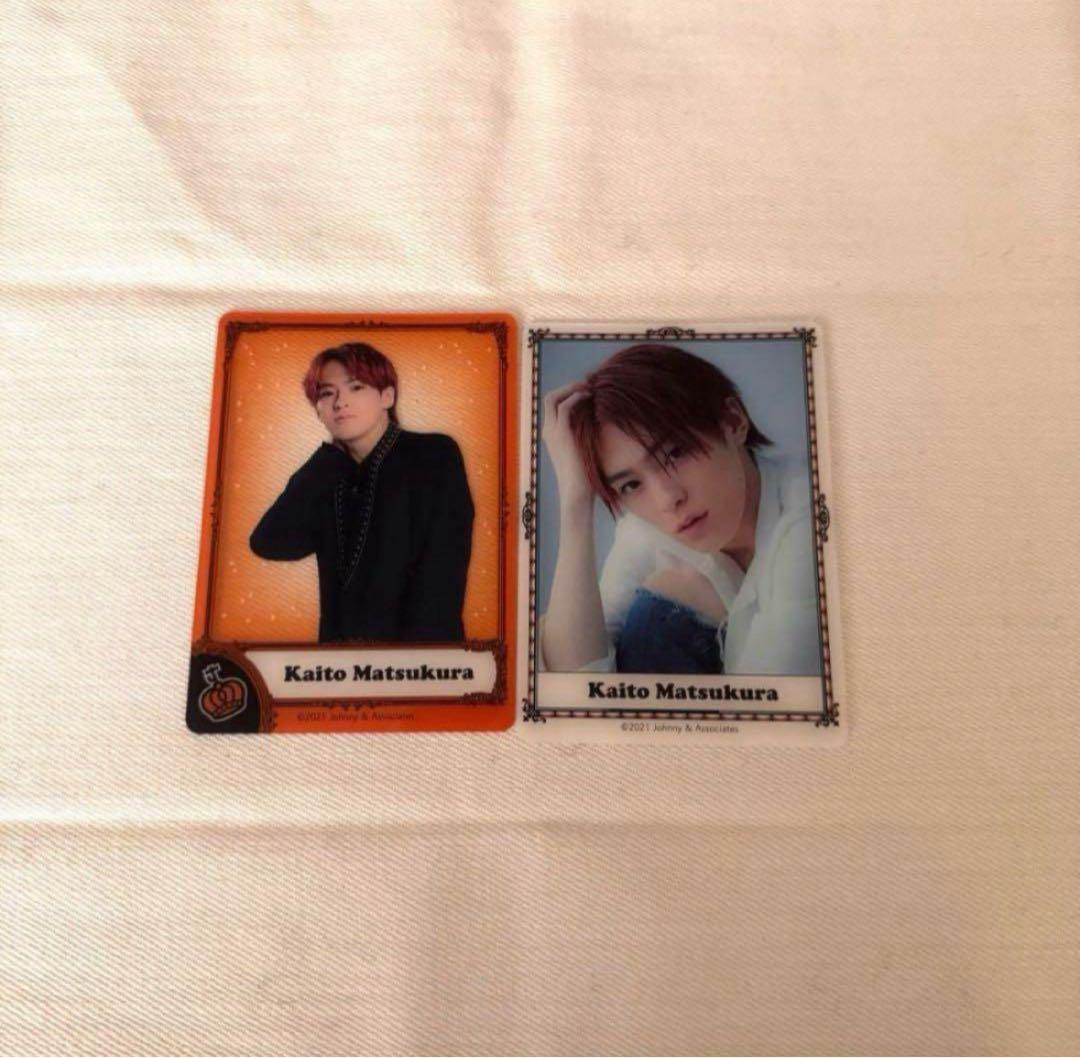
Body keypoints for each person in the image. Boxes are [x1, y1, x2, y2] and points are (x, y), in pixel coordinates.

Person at [541, 343, 820, 675]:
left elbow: (776, 701)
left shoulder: (809, 520)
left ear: (733, 422)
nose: (667, 499)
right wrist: (575, 501)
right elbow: (575, 680)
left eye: (675, 453)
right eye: (631, 485)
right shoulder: (645, 531)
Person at [250, 342, 474, 643]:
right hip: (338, 663)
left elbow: (442, 578)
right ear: (317, 409)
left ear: (387, 396)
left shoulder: (433, 455)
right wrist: (326, 461)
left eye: (356, 387)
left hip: (421, 658)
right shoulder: (327, 474)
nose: (340, 402)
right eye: (326, 393)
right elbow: (268, 542)